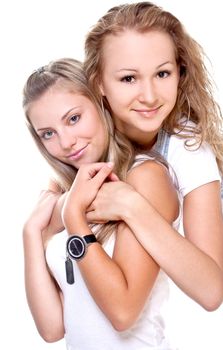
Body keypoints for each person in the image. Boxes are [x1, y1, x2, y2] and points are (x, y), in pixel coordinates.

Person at [22, 58, 180, 349]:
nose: (66, 142)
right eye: (48, 133)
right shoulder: (67, 195)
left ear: (100, 102)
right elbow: (53, 328)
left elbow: (123, 312)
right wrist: (31, 233)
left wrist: (74, 219)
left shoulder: (143, 177)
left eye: (73, 118)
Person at [83, 0, 223, 300]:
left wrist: (132, 206)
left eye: (162, 74)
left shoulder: (188, 145)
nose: (150, 96)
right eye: (129, 78)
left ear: (180, 72)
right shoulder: (85, 129)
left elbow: (212, 291)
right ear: (98, 82)